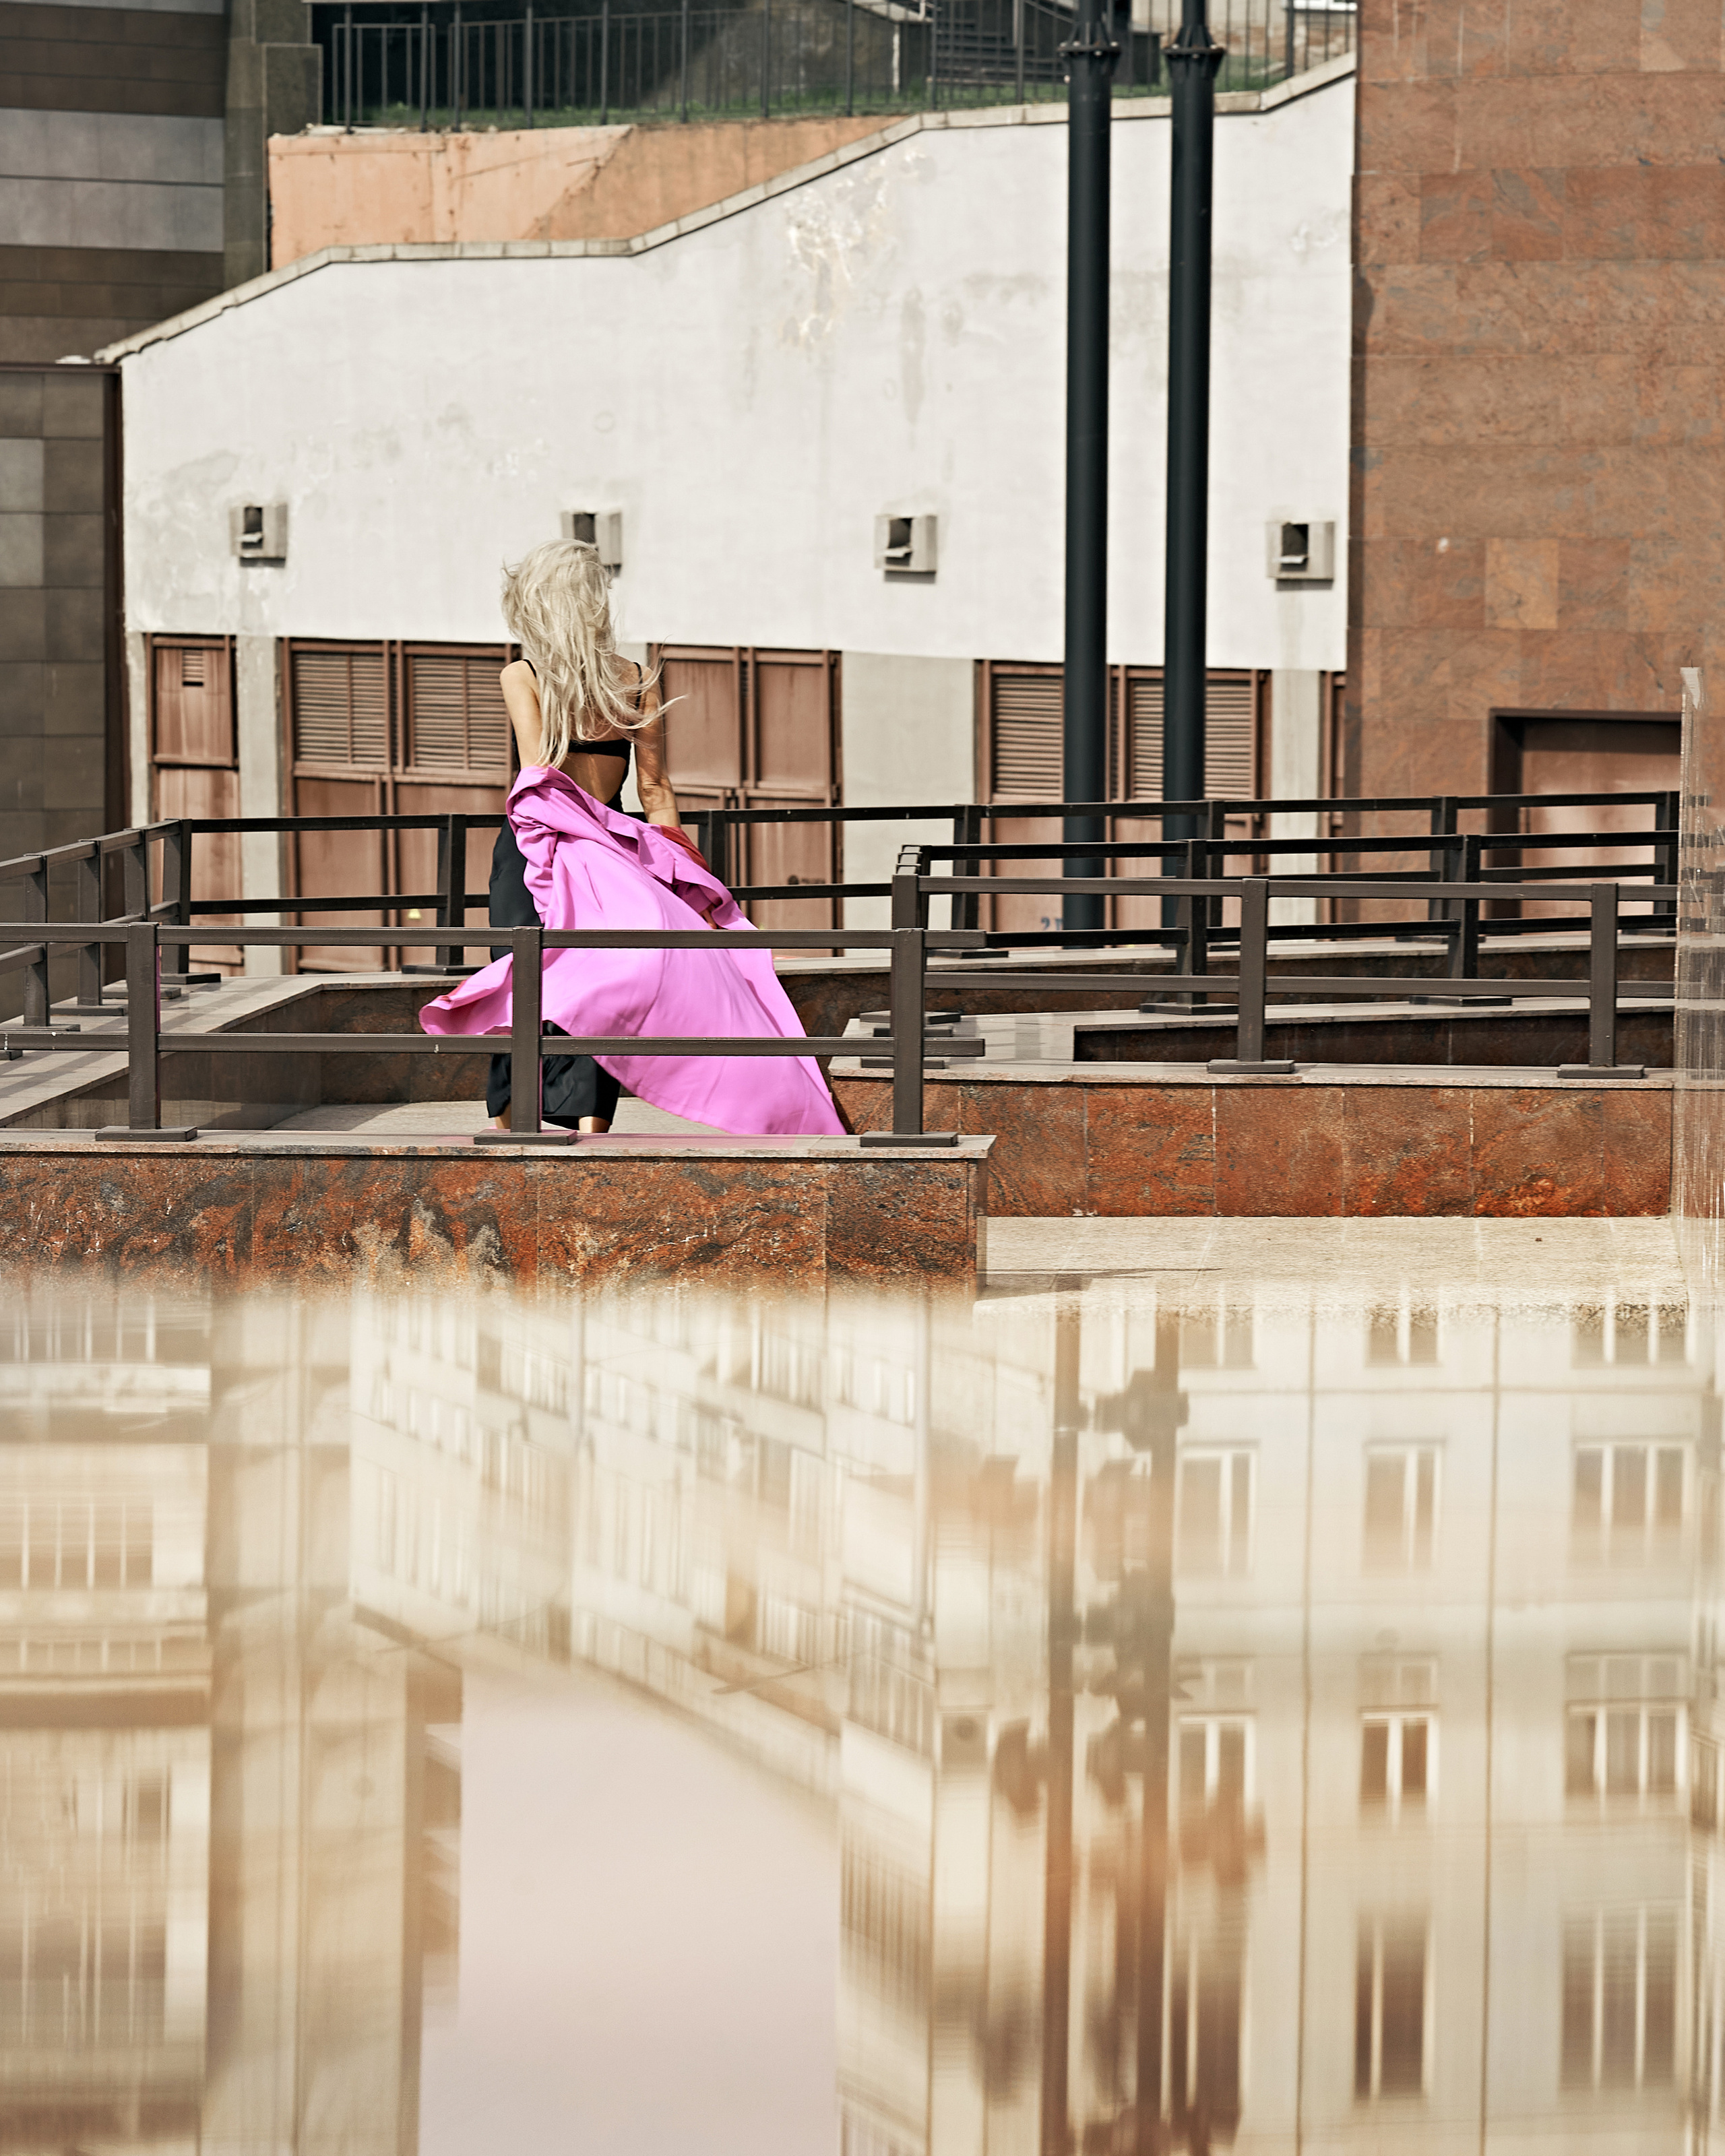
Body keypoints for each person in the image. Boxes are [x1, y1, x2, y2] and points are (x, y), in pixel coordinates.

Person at [420, 540, 845, 1139]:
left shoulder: (523, 675)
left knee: (527, 977)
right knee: (607, 983)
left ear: (534, 605)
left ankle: (511, 1122)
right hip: (617, 849)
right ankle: (591, 1124)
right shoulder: (636, 678)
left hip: (539, 846)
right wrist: (685, 871)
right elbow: (656, 788)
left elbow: (540, 777)